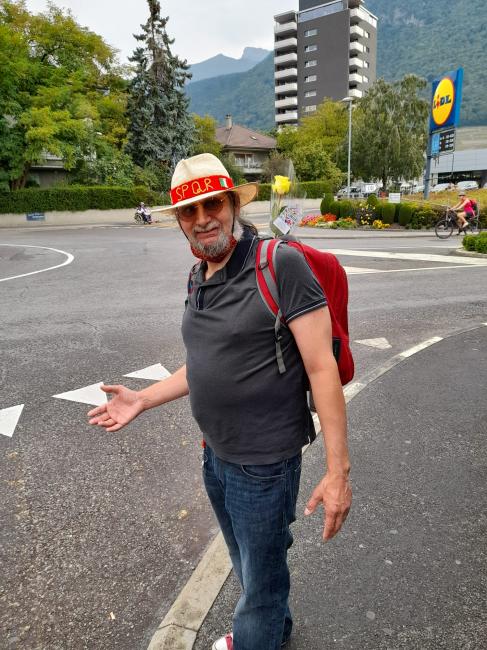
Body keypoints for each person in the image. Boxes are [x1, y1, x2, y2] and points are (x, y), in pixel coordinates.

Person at [87, 154, 352, 650]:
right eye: (189, 211)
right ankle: (274, 631)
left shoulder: (279, 265)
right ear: (179, 221)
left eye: (213, 204)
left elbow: (322, 368)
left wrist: (338, 473)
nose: (203, 218)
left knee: (261, 583)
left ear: (233, 204)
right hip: (216, 456)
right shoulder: (199, 275)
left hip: (264, 466)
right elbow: (204, 363)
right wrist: (143, 399)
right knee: (250, 565)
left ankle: (259, 635)